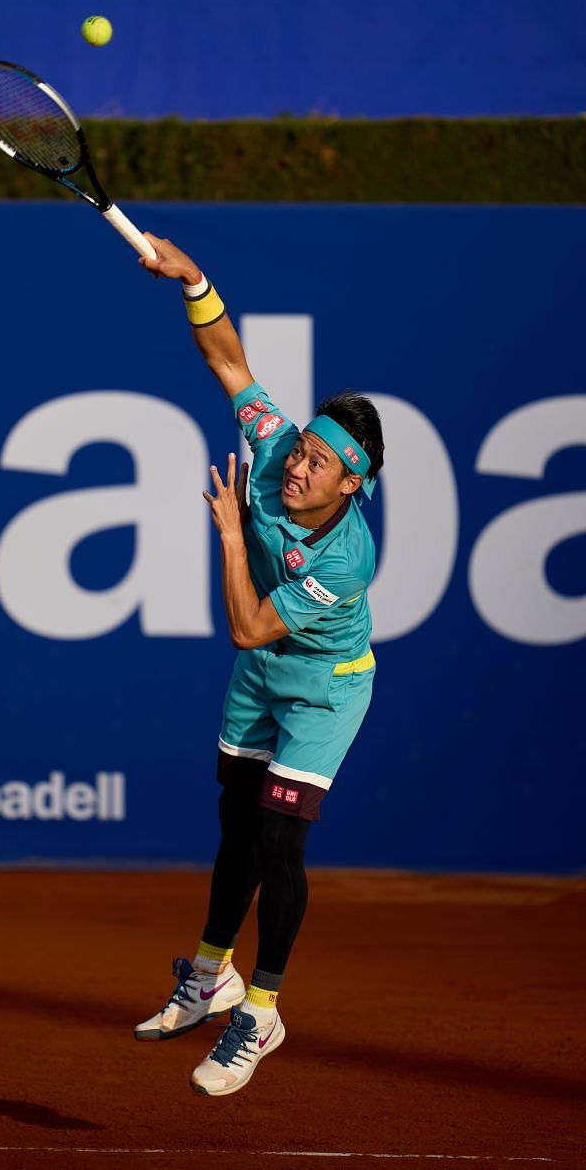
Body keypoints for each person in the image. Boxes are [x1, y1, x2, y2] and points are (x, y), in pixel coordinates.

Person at [134, 234, 384, 1098]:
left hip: (325, 688)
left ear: (350, 484)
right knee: (235, 821)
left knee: (281, 838)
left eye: (320, 463)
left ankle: (263, 1009)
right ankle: (211, 975)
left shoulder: (348, 559)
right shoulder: (278, 450)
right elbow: (230, 363)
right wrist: (195, 280)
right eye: (303, 448)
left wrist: (234, 537)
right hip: (265, 672)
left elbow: (245, 626)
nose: (299, 465)